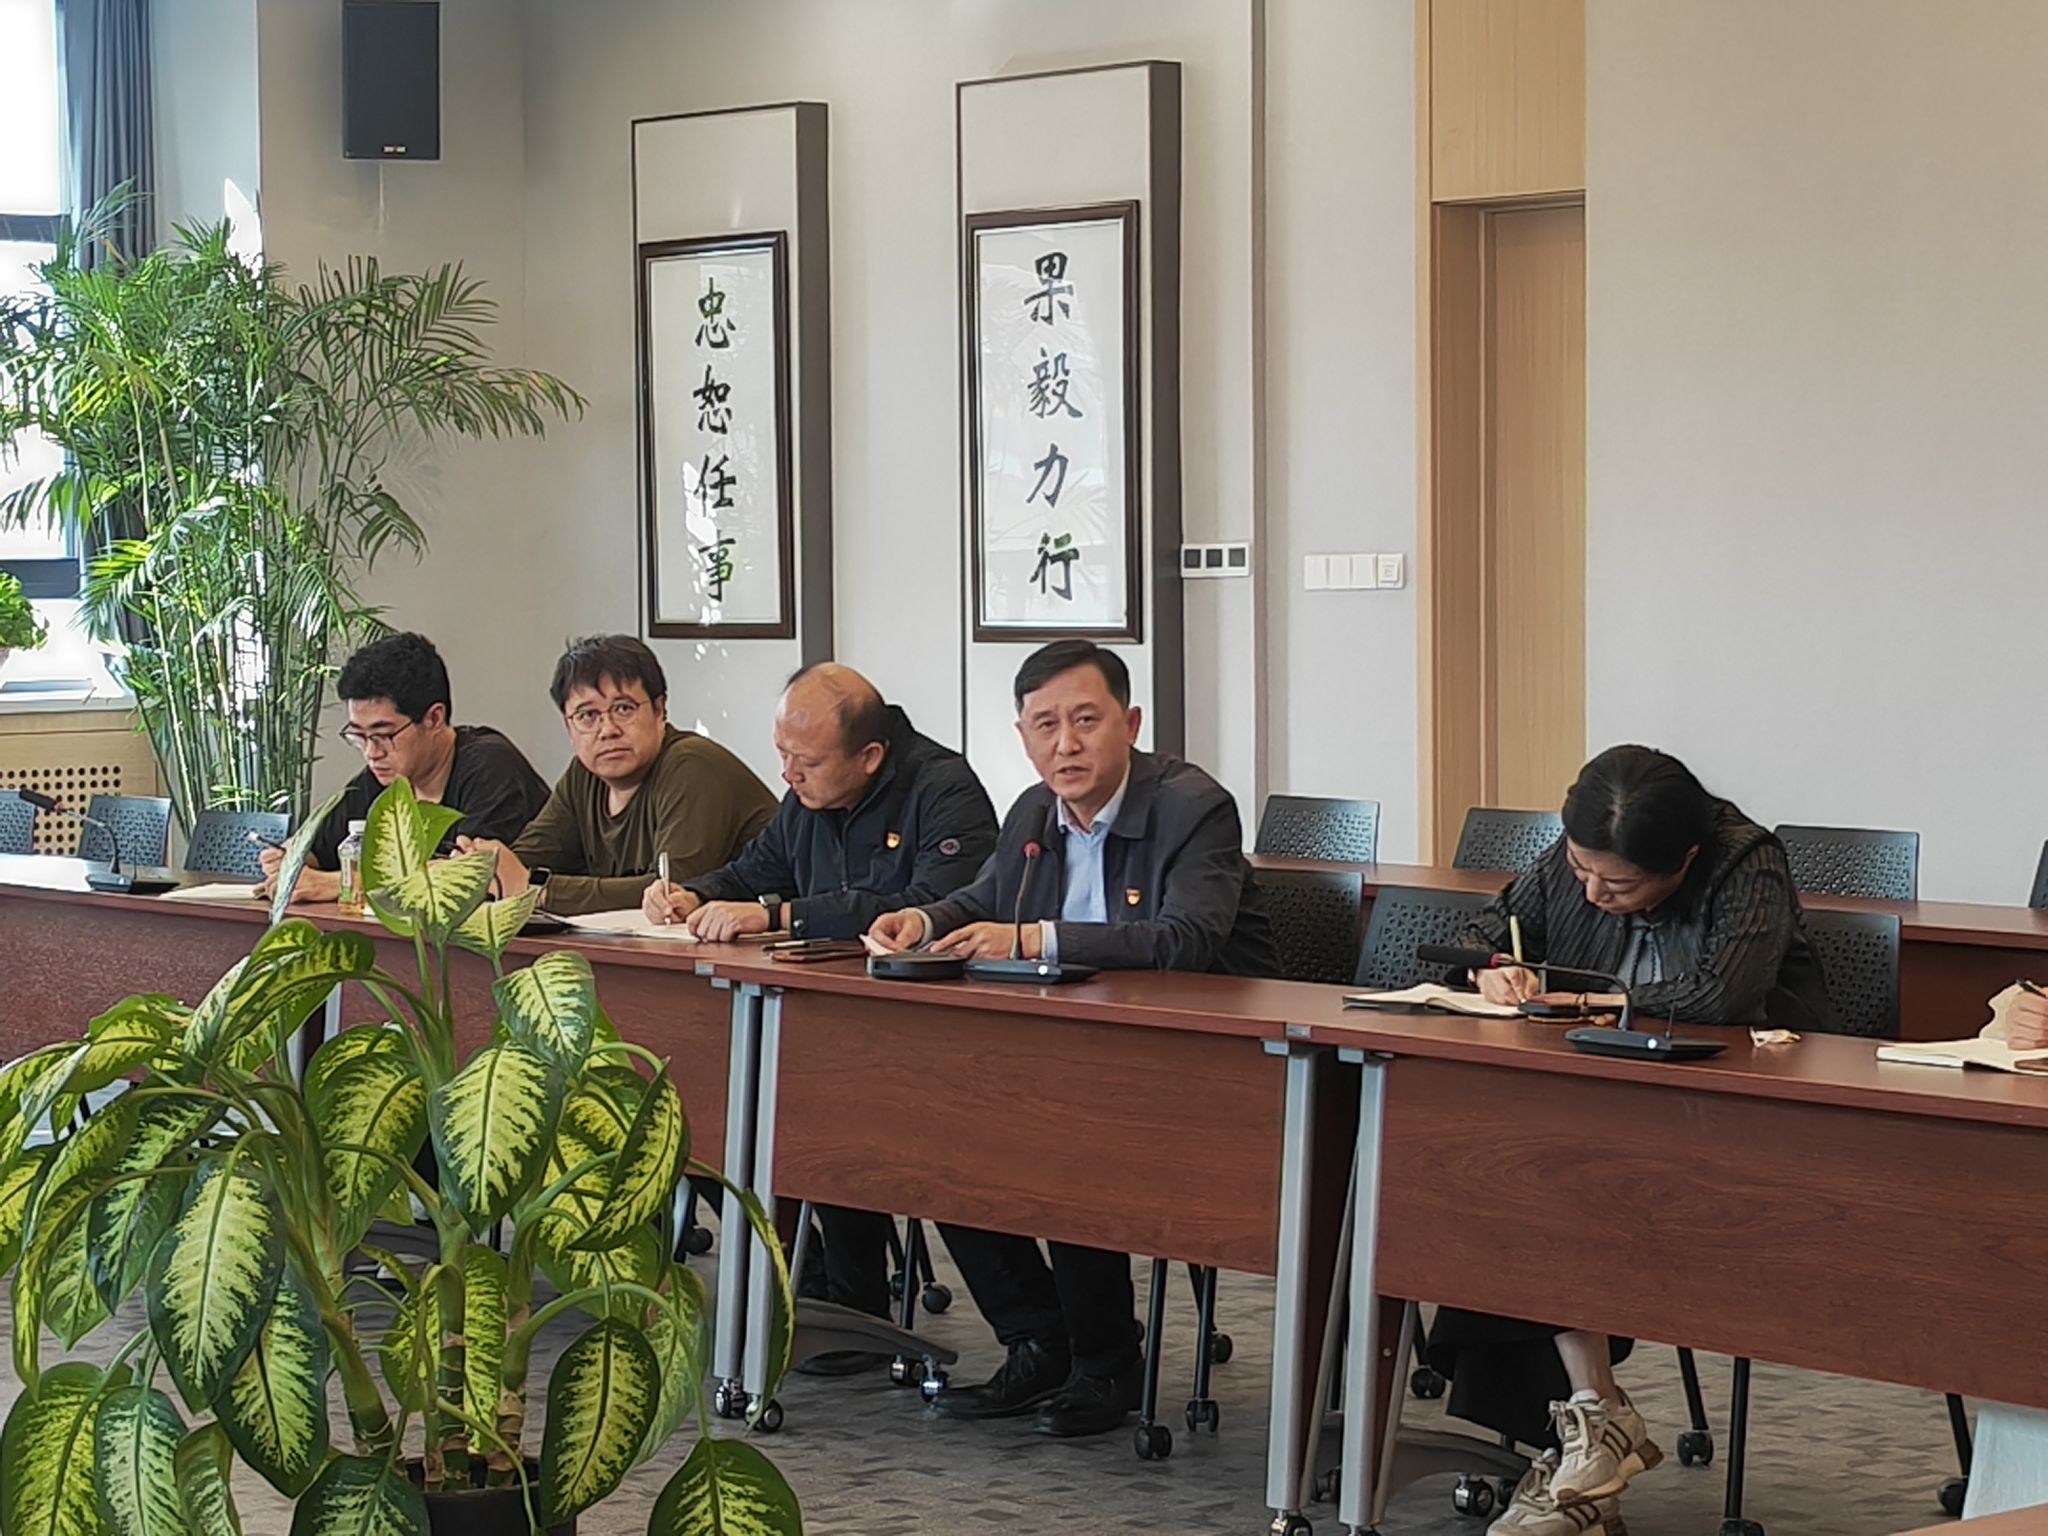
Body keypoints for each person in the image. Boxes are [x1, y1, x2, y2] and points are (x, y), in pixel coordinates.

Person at [866, 639, 1277, 1439]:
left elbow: (1185, 940)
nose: (1066, 744)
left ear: (1131, 724)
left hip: (1211, 1061)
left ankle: (1105, 1360)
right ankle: (1038, 1341)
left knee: (1065, 1140)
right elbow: (985, 898)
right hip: (1073, 1050)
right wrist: (923, 919)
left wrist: (1032, 939)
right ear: (1022, 736)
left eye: (1086, 721)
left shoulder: (1195, 807)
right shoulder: (1033, 811)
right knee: (937, 1134)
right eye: (1045, 725)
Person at [1432, 744, 1833, 1536]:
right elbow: (1487, 927)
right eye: (1582, 870)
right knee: (1499, 1168)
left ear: (1682, 860)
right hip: (1590, 1101)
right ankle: (1590, 1420)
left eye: (1617, 886)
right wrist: (1496, 966)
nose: (1592, 892)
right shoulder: (1579, 854)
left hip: (1722, 1110)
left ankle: (1583, 1437)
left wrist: (1578, 999)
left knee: (1536, 1178)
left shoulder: (1745, 861)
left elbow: (1724, 993)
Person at [642, 661, 998, 1371]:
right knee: (709, 1105)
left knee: (837, 1119)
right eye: (782, 755)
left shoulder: (943, 790)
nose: (788, 775)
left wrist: (780, 916)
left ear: (869, 756)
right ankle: (816, 1289)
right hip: (819, 1027)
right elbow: (752, 872)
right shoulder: (806, 797)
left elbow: (928, 905)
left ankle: (855, 1303)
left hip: (928, 1034)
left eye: (804, 761)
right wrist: (691, 895)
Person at [460, 635, 777, 917]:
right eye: (587, 715)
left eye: (624, 709)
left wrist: (538, 890)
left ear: (659, 709)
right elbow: (527, 857)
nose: (608, 730)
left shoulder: (692, 765)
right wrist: (474, 868)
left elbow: (671, 891)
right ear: (568, 726)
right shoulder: (585, 773)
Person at [259, 632, 548, 903]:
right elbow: (316, 851)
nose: (371, 752)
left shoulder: (490, 767)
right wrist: (289, 861)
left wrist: (339, 883)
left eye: (384, 734)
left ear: (434, 719)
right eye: (359, 736)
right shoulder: (384, 775)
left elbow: (470, 877)